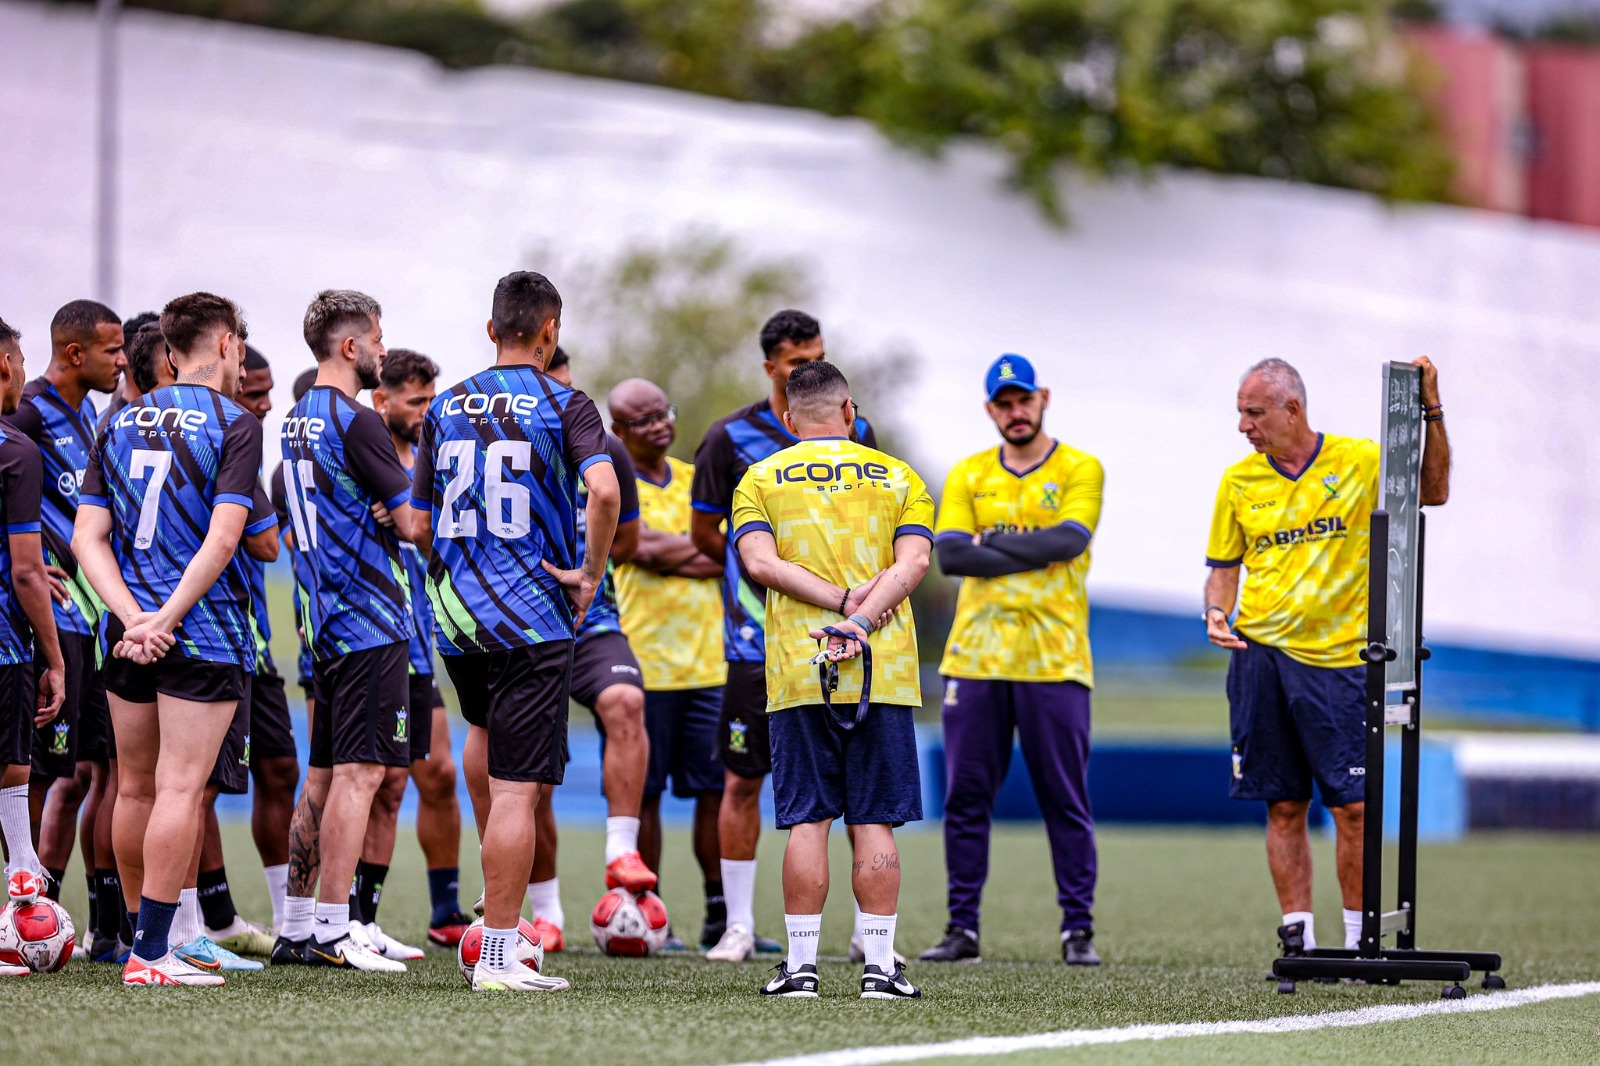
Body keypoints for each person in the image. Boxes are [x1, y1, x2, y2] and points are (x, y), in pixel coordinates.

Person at [411, 270, 619, 992]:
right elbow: (605, 490)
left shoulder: (444, 405)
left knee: (484, 743)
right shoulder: (565, 402)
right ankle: (500, 950)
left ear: (491, 328)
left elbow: (420, 520)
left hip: (459, 618)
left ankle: (490, 909)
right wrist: (589, 571)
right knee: (518, 792)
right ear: (551, 331)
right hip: (532, 617)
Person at [1203, 357, 1450, 958]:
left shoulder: (1359, 460)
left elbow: (1435, 491)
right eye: (1239, 412)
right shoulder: (1239, 481)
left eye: (1253, 412)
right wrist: (1215, 612)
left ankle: (1361, 938)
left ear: (1293, 409)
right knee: (1283, 802)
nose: (1243, 425)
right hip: (1259, 658)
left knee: (1355, 808)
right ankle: (1298, 937)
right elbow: (1222, 566)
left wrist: (1433, 410)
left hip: (1338, 661)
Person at [73, 291, 273, 987]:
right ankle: (153, 953)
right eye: (240, 344)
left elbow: (85, 538)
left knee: (134, 790)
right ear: (223, 345)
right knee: (180, 790)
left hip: (125, 636)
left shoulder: (120, 420)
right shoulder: (237, 424)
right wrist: (165, 617)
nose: (242, 356)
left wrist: (133, 617)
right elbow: (226, 539)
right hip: (203, 632)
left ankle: (147, 941)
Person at [730, 360, 932, 999]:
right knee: (874, 819)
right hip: (883, 670)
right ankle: (879, 968)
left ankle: (800, 968)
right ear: (850, 412)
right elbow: (916, 560)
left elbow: (759, 564)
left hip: (797, 669)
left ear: (788, 419)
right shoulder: (899, 476)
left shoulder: (759, 478)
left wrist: (838, 602)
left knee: (807, 820)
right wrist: (864, 617)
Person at [690, 309, 875, 962]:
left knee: (861, 787)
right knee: (742, 781)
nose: (809, 370)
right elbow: (705, 535)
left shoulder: (860, 431)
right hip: (755, 643)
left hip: (843, 639)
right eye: (797, 362)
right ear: (770, 366)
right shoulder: (729, 438)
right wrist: (771, 575)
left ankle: (866, 931)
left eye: (818, 356)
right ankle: (739, 925)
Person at [921, 354, 1106, 967]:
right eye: (1003, 403)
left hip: (1054, 659)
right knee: (966, 798)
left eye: (1023, 399)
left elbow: (1069, 540)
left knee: (1064, 798)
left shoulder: (1081, 467)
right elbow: (950, 558)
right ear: (989, 409)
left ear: (1043, 397)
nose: (1015, 411)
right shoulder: (969, 473)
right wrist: (1028, 549)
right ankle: (961, 929)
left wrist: (990, 542)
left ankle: (1077, 930)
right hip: (975, 657)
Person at [273, 290, 420, 973]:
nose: (384, 351)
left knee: (324, 777)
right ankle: (336, 928)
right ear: (350, 347)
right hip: (368, 619)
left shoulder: (297, 416)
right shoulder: (359, 421)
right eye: (378, 339)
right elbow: (414, 522)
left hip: (320, 624)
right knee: (362, 773)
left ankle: (297, 927)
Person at [522, 347, 650, 954]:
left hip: (593, 621)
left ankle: (622, 851)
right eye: (552, 386)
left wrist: (586, 567)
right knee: (532, 779)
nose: (566, 400)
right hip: (521, 628)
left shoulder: (604, 446)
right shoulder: (502, 443)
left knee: (626, 700)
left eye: (570, 387)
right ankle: (546, 913)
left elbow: (626, 540)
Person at [609, 377, 728, 951]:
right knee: (646, 795)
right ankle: (646, 912)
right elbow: (640, 549)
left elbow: (726, 554)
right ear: (619, 431)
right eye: (644, 419)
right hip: (644, 662)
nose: (660, 425)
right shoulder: (611, 483)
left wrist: (677, 549)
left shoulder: (691, 478)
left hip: (711, 664)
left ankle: (720, 913)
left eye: (664, 413)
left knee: (716, 792)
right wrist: (691, 549)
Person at [14, 300, 122, 925]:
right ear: (75, 353)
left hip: (87, 625)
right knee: (30, 775)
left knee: (78, 773)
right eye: (111, 352)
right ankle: (19, 905)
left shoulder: (88, 417)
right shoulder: (26, 410)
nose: (119, 363)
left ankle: (60, 916)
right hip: (44, 621)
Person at [369, 347, 471, 950]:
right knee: (376, 780)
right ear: (382, 401)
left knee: (437, 774)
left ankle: (446, 909)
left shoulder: (435, 459)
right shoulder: (363, 454)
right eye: (417, 401)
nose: (428, 411)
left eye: (433, 398)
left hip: (421, 640)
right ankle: (345, 917)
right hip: (368, 640)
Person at [202, 342, 300, 953]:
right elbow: (267, 546)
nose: (263, 404)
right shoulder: (222, 443)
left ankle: (291, 920)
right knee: (197, 786)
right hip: (208, 641)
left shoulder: (256, 453)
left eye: (268, 393)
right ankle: (206, 922)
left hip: (254, 642)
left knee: (280, 767)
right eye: (253, 391)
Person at [0, 316, 68, 957]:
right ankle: (24, 895)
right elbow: (25, 571)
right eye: (20, 362)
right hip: (3, 645)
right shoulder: (14, 449)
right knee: (13, 767)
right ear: (3, 368)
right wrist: (55, 659)